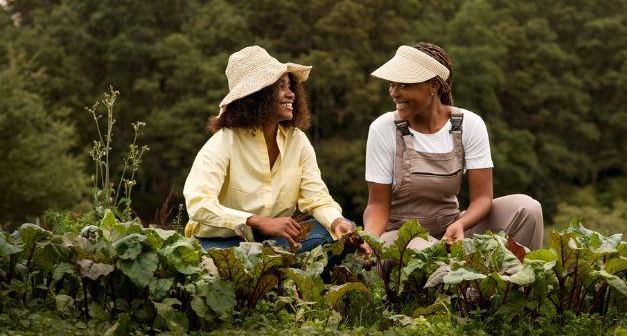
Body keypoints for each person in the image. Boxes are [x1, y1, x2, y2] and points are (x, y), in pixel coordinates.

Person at [363, 42, 543, 251]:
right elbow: (377, 205)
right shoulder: (383, 128)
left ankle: (512, 282)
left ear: (434, 86)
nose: (394, 93)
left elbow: (483, 198)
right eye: (392, 85)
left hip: (451, 228)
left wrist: (461, 224)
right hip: (400, 237)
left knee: (528, 208)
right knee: (426, 250)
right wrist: (369, 240)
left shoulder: (469, 124)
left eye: (404, 85)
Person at [183, 45, 355, 253]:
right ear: (257, 96)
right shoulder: (224, 142)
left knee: (335, 234)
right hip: (220, 244)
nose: (291, 94)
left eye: (290, 86)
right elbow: (198, 203)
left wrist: (336, 221)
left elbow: (316, 197)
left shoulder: (297, 141)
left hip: (272, 242)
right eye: (280, 87)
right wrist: (256, 221)